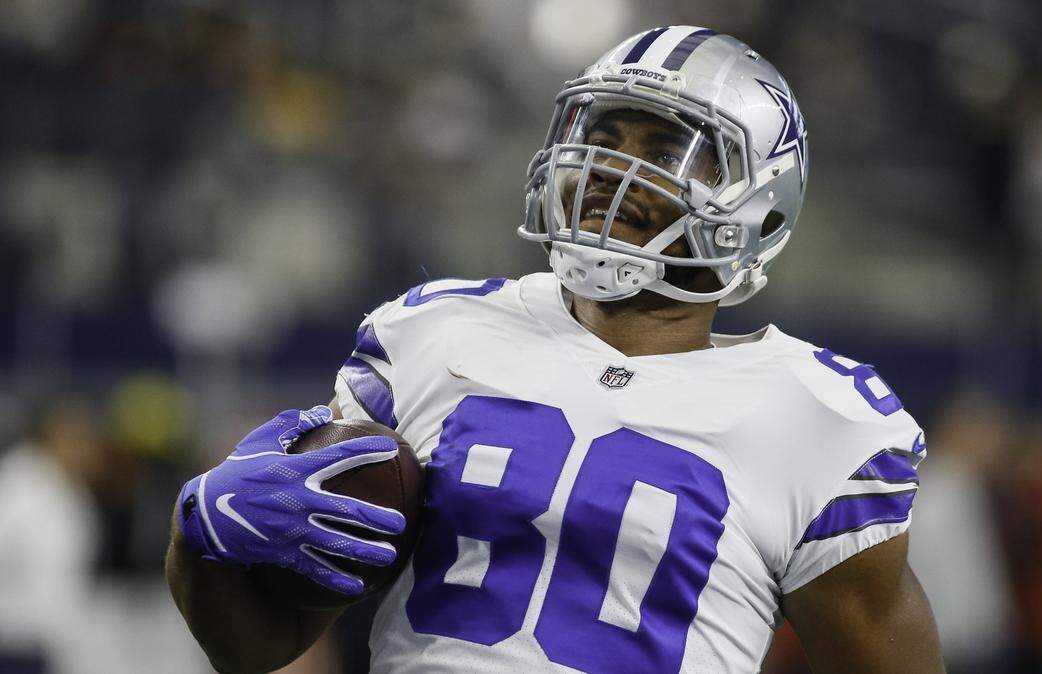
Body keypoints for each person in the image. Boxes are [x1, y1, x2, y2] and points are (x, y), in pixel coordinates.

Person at [166, 26, 944, 673]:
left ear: (760, 202)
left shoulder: (820, 418)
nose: (612, 169)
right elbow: (256, 647)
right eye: (601, 138)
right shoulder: (434, 333)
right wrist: (202, 532)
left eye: (665, 148)